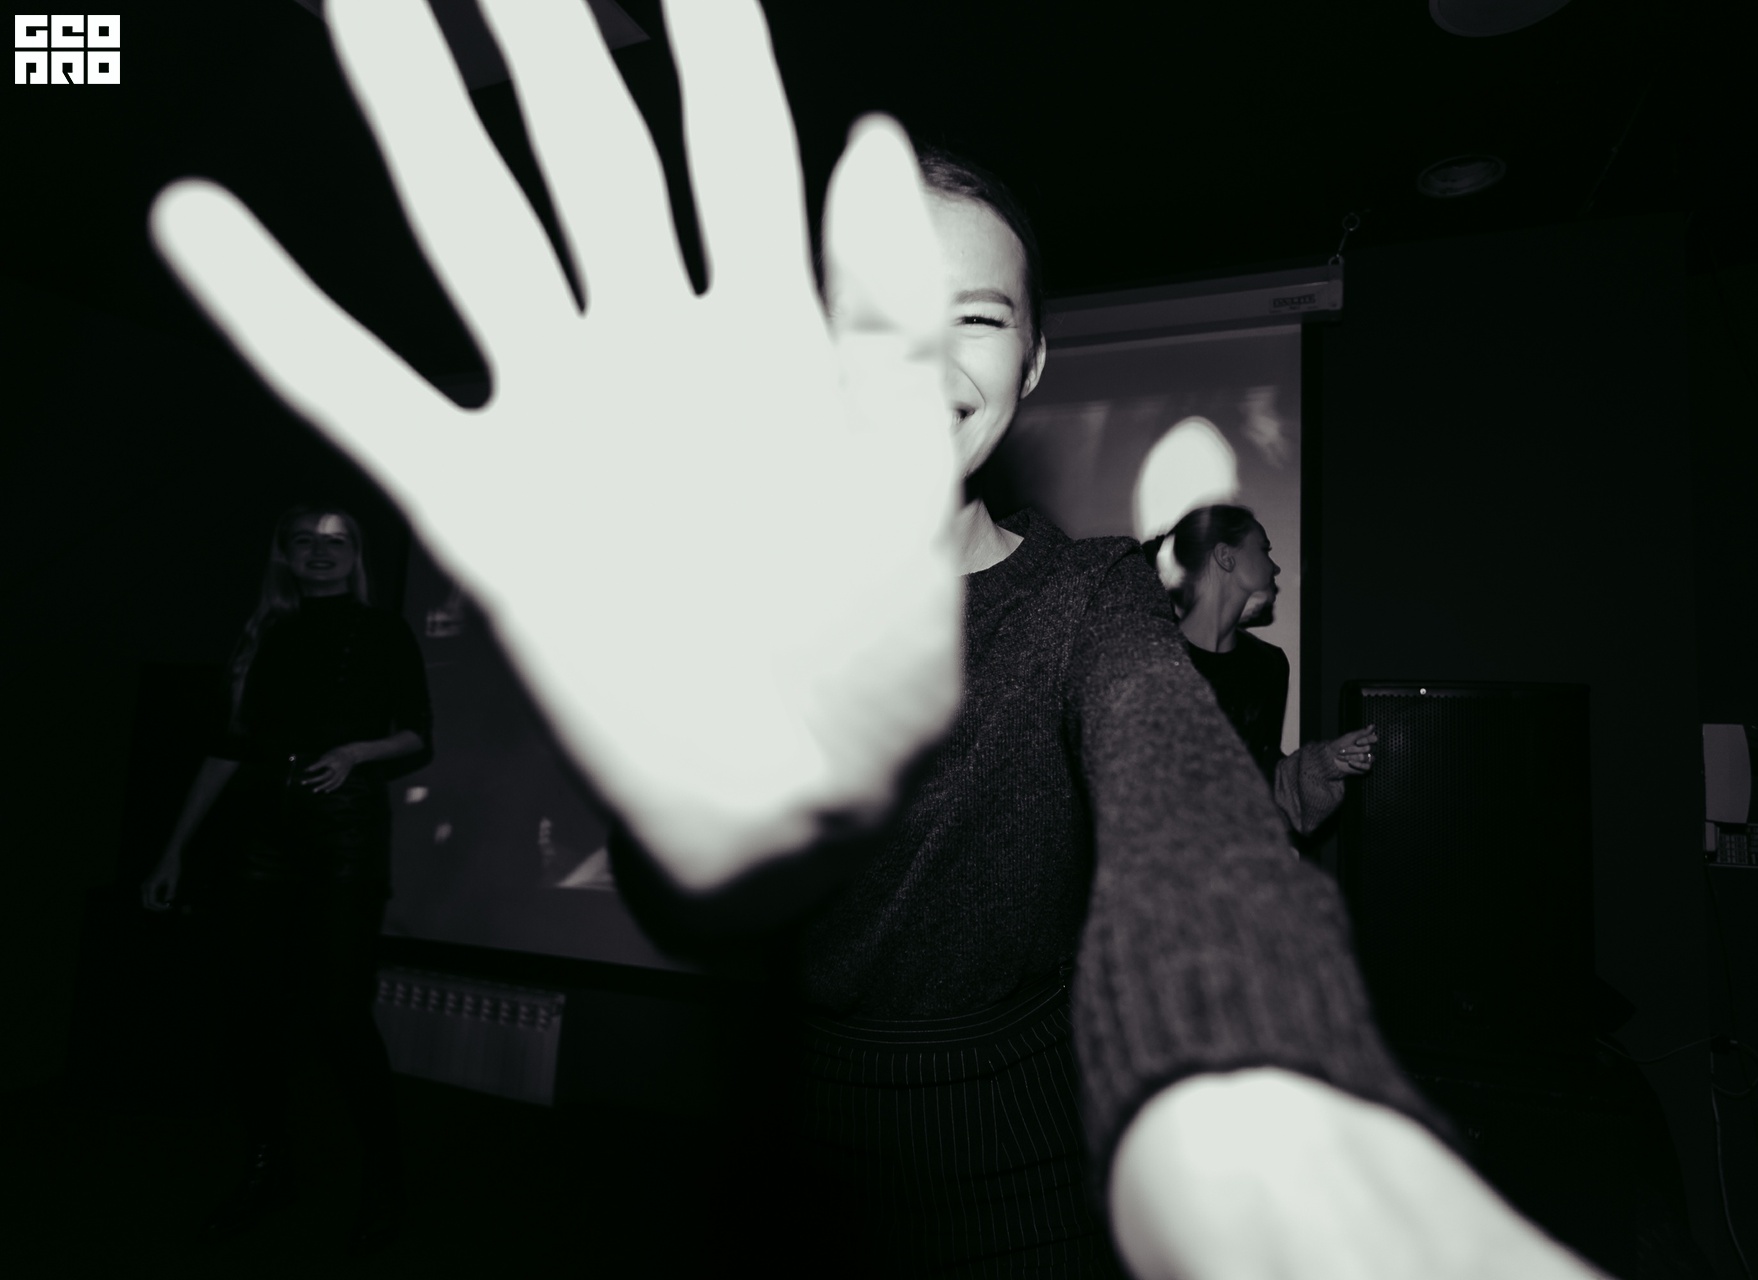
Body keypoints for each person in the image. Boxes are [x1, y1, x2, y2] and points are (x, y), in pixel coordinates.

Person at [149, 2, 1610, 1275]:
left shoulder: (1094, 596)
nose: (923, 354)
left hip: (1037, 1170)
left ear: (1030, 364)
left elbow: (1174, 780)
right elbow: (689, 886)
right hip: (791, 1168)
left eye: (975, 317)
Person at [142, 505, 432, 1251]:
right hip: (260, 832)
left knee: (337, 1009)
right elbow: (226, 750)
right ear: (286, 556)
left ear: (355, 556)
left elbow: (418, 736)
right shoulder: (264, 635)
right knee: (249, 1006)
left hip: (343, 829)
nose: (320, 551)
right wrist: (174, 851)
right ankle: (269, 1168)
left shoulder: (384, 631)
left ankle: (386, 1176)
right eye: (306, 540)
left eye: (336, 541)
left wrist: (356, 753)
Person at [1143, 504, 1377, 858]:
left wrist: (1325, 763)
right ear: (1225, 556)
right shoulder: (1148, 658)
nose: (1276, 567)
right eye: (1264, 549)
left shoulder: (1268, 666)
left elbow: (1261, 783)